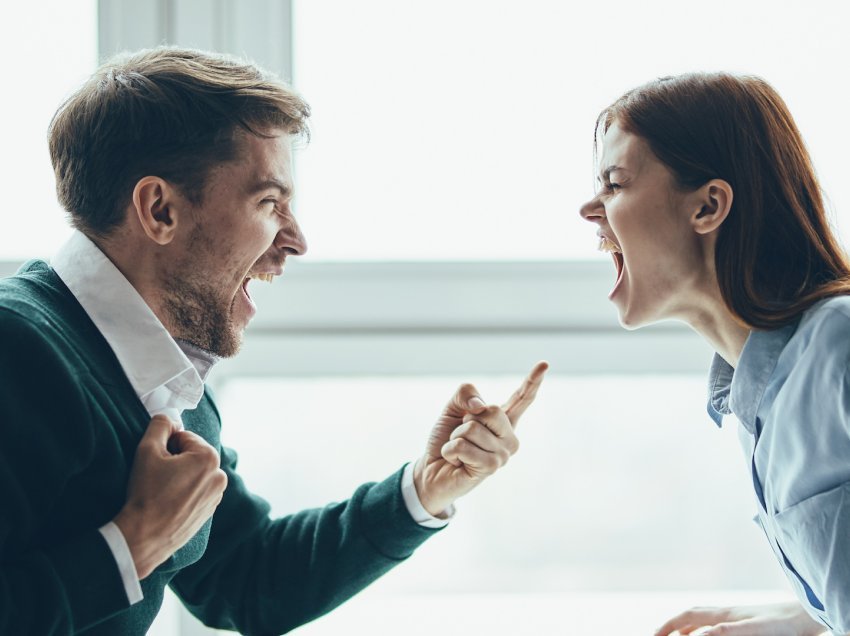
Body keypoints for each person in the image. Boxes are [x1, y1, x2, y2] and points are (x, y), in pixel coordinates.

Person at [0, 47, 548, 635]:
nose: (297, 240)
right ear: (160, 209)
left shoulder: (163, 374)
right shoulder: (16, 352)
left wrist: (421, 489)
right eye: (269, 202)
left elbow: (242, 580)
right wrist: (130, 546)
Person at [580, 72, 850, 636]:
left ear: (708, 206)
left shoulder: (838, 345)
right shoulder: (757, 396)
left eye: (614, 183)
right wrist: (793, 622)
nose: (590, 209)